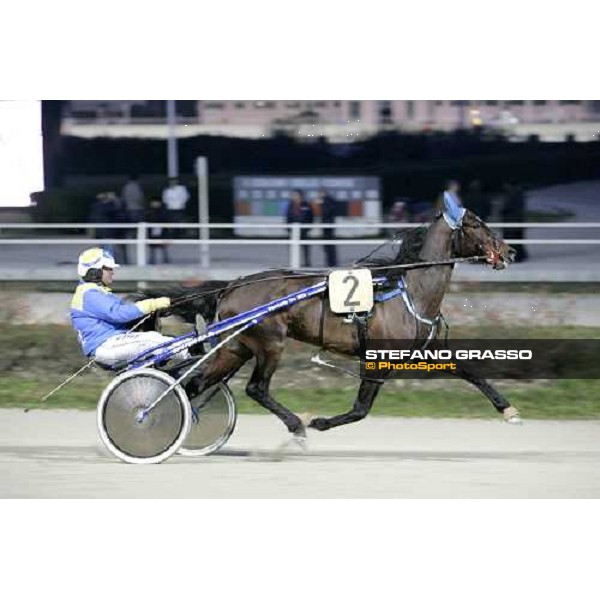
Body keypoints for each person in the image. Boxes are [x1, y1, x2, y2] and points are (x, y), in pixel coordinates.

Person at [70, 247, 181, 366]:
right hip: (105, 346)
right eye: (108, 268)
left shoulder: (97, 292)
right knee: (151, 340)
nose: (112, 271)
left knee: (159, 339)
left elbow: (125, 313)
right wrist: (151, 304)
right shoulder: (89, 294)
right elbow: (119, 314)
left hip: (111, 342)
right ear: (95, 272)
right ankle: (193, 350)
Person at [501, 181, 528, 262]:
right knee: (517, 239)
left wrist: (503, 211)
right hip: (517, 220)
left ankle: (516, 256)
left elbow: (508, 208)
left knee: (513, 239)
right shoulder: (519, 194)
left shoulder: (512, 195)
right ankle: (519, 255)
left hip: (511, 220)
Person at [286, 189, 314, 267]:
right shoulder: (291, 205)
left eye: (295, 195)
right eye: (293, 195)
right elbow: (288, 217)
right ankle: (294, 264)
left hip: (304, 230)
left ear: (300, 195)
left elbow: (310, 217)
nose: (293, 197)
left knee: (305, 248)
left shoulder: (306, 205)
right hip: (293, 230)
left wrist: (308, 228)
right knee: (293, 248)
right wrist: (288, 228)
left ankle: (307, 263)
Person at [317, 188, 339, 267]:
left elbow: (326, 212)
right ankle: (330, 262)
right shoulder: (329, 200)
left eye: (320, 193)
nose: (319, 195)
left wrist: (321, 204)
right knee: (328, 246)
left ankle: (331, 263)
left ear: (323, 193)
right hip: (327, 225)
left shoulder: (327, 201)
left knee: (329, 246)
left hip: (328, 226)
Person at [146, 198, 170, 265]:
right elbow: (147, 219)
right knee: (152, 248)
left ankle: (166, 260)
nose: (155, 204)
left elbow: (165, 221)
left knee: (163, 247)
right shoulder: (149, 212)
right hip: (152, 232)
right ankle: (152, 260)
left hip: (162, 232)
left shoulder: (163, 212)